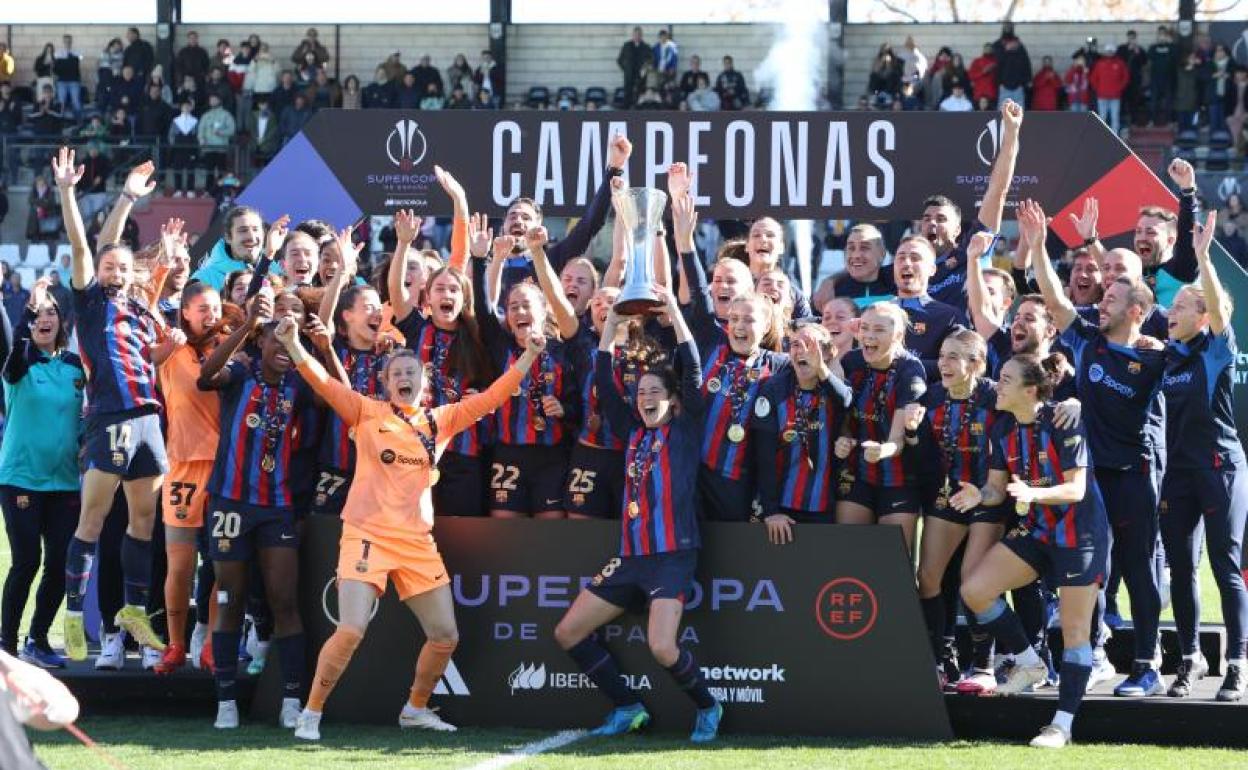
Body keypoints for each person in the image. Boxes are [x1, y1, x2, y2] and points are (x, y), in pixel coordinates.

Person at [284, 311, 544, 739]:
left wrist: (529, 356)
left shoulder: (439, 421)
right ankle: (311, 712)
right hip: (366, 534)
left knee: (445, 635)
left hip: (416, 542)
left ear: (424, 382)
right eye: (397, 373)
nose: (404, 378)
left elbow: (494, 397)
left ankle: (415, 708)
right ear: (386, 383)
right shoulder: (367, 412)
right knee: (350, 629)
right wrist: (295, 344)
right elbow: (323, 383)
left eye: (412, 372)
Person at [552, 270, 723, 742]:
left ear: (672, 400)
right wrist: (609, 326)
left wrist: (677, 318)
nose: (647, 398)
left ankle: (709, 707)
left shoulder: (684, 429)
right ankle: (627, 707)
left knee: (663, 648)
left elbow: (691, 367)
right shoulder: (631, 431)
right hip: (630, 559)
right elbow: (604, 377)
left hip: (672, 557)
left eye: (656, 393)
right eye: (642, 393)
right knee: (567, 633)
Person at [1025, 198, 1168, 698]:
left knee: (1138, 569)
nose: (1099, 302)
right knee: (1083, 569)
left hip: (1133, 474)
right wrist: (1041, 248)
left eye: (1110, 299)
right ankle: (1083, 659)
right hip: (1088, 477)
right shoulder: (1087, 340)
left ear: (1135, 312)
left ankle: (1147, 666)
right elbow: (1055, 298)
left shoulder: (1155, 360)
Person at [52, 150, 167, 663]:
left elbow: (150, 360)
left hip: (148, 420)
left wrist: (173, 344)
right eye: (108, 264)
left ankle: (134, 610)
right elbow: (84, 242)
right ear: (97, 273)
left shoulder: (141, 310)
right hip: (110, 420)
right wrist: (70, 193)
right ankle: (74, 618)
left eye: (123, 264)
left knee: (144, 519)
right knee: (94, 520)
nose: (114, 269)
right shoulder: (90, 301)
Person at [959, 352, 1108, 749]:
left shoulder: (1064, 417)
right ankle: (1028, 661)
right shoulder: (1002, 428)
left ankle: (1061, 725)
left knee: (1076, 633)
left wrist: (1032, 493)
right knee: (974, 591)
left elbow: (1075, 490)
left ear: (1029, 390)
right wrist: (980, 495)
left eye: (1006, 378)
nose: (998, 383)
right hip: (1039, 532)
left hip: (1080, 537)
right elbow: (995, 489)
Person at [196, 295, 310, 730]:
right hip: (228, 502)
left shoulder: (298, 382)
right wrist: (245, 326)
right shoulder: (240, 372)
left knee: (284, 601)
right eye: (276, 337)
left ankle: (292, 700)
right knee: (229, 599)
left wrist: (312, 347)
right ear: (260, 341)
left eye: (290, 338)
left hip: (276, 506)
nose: (283, 345)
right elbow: (204, 376)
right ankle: (225, 699)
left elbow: (335, 397)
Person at [1160, 211, 1248, 701]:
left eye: (1181, 306)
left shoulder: (1215, 349)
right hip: (1177, 476)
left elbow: (1219, 305)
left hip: (1221, 468)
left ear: (1205, 316)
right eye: (1171, 305)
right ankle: (1188, 661)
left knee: (1225, 565)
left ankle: (1237, 665)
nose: (1171, 312)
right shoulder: (1166, 354)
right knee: (1181, 568)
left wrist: (1203, 257)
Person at [0, 278, 83, 667]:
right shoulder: (18, 363)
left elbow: (84, 419)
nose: (44, 319)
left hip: (65, 482)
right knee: (26, 560)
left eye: (51, 312)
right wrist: (27, 311)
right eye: (37, 314)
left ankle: (38, 639)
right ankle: (6, 644)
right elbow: (15, 356)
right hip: (21, 479)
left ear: (62, 320)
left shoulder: (74, 367)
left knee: (60, 562)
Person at [834, 302, 927, 550]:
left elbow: (898, 441)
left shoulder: (910, 370)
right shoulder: (852, 361)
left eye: (878, 329)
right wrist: (844, 439)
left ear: (897, 335)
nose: (869, 336)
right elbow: (843, 418)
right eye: (864, 328)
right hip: (857, 474)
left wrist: (881, 451)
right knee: (848, 555)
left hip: (898, 478)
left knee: (892, 565)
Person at [920, 100, 1021, 311]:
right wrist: (830, 281)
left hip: (972, 341)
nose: (932, 223)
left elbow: (997, 191)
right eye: (927, 219)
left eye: (941, 219)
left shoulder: (974, 247)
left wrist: (1011, 133)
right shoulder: (910, 265)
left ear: (957, 230)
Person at [755, 323, 851, 542]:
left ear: (827, 353)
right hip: (782, 509)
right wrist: (770, 511)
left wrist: (823, 370)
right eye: (796, 344)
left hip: (823, 505)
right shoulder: (773, 389)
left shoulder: (833, 389)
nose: (802, 351)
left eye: (812, 345)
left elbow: (846, 401)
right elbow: (764, 455)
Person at [1090, 45, 1129, 135]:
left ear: (1114, 52)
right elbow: (1093, 78)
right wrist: (1098, 89)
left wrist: (1119, 88)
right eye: (1108, 51)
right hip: (1102, 96)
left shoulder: (1120, 63)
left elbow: (1125, 77)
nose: (1109, 53)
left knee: (1115, 117)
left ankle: (1114, 137)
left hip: (1115, 96)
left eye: (1111, 51)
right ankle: (1102, 136)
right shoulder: (1099, 63)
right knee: (1102, 117)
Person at [617, 28, 651, 107]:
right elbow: (620, 60)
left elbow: (650, 60)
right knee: (627, 95)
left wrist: (645, 69)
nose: (637, 36)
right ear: (632, 35)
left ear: (641, 36)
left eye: (639, 35)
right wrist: (625, 69)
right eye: (635, 34)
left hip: (641, 76)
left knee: (640, 96)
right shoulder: (626, 46)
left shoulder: (646, 47)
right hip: (629, 75)